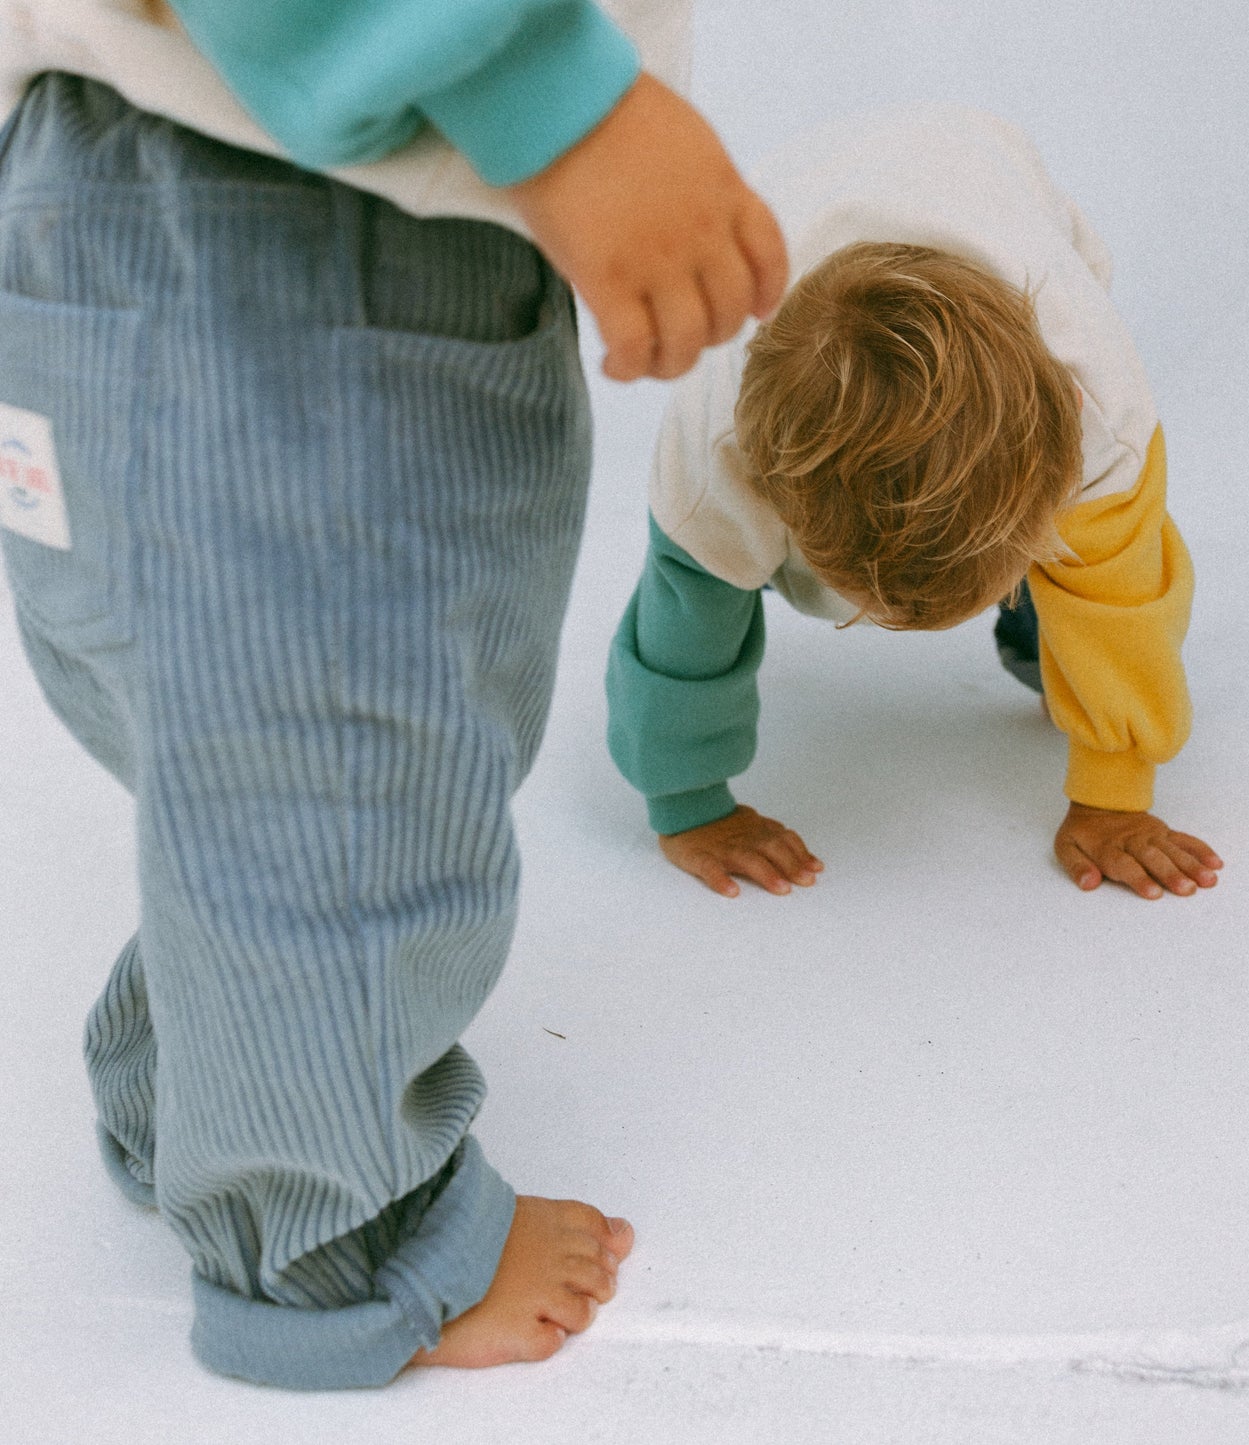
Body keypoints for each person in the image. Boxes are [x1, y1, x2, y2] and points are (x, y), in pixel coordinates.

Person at [0, 0, 786, 1391]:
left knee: (242, 761)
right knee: (338, 788)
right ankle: (335, 1244)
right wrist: (560, 101)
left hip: (151, 194)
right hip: (304, 222)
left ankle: (198, 1087)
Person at [606, 104, 1224, 904]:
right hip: (794, 186)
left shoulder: (1099, 408)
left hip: (984, 161)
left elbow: (1123, 602)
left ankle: (1033, 636)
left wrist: (1113, 792)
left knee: (1083, 569)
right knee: (703, 577)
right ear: (773, 497)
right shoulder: (712, 458)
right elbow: (678, 638)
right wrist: (687, 805)